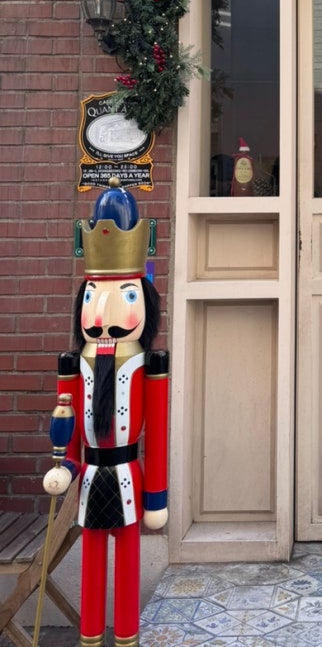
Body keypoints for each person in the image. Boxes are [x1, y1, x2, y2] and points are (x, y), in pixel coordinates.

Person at [43, 177, 168, 647]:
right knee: (93, 558)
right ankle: (91, 636)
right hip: (92, 476)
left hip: (128, 475)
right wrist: (66, 466)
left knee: (128, 561)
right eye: (95, 295)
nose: (104, 314)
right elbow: (68, 422)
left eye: (126, 294)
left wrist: (157, 497)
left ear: (144, 298)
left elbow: (157, 434)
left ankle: (128, 636)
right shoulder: (75, 364)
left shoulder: (148, 366)